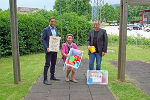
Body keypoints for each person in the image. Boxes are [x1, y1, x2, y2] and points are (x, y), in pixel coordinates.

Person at [41, 17, 59, 85]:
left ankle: (52, 76)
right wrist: (46, 48)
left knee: (53, 63)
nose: (53, 23)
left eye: (54, 21)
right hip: (49, 50)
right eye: (52, 21)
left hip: (54, 49)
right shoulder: (46, 30)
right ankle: (45, 79)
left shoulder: (56, 29)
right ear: (49, 22)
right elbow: (42, 39)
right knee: (47, 64)